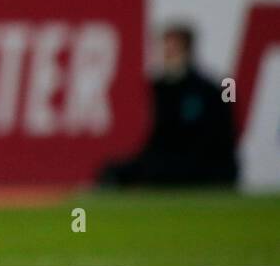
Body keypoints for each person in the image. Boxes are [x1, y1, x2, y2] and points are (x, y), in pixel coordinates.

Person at [99, 24, 238, 187]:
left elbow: (221, 137)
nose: (166, 52)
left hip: (200, 161)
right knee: (113, 171)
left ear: (187, 50)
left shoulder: (210, 90)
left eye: (173, 47)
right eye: (165, 47)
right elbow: (158, 136)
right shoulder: (157, 87)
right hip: (165, 159)